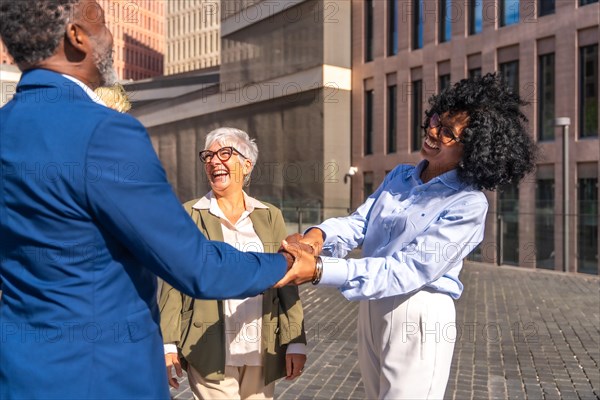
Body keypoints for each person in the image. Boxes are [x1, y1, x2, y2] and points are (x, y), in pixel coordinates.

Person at [0, 1, 309, 398]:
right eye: (103, 24)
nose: (110, 37)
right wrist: (286, 261)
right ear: (76, 37)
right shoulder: (106, 134)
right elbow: (196, 267)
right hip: (103, 379)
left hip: (21, 376)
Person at [278, 73, 538, 399]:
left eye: (447, 132)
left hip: (419, 313)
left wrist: (318, 270)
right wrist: (317, 235)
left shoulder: (468, 204)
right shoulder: (401, 176)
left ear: (472, 148)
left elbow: (406, 270)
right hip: (372, 305)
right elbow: (360, 223)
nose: (432, 132)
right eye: (434, 121)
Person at [160, 127, 307, 400]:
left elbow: (288, 279)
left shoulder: (269, 215)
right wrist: (168, 343)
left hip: (261, 347)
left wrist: (296, 342)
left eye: (224, 153)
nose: (213, 161)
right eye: (208, 156)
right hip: (208, 347)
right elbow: (173, 282)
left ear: (247, 164)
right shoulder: (189, 214)